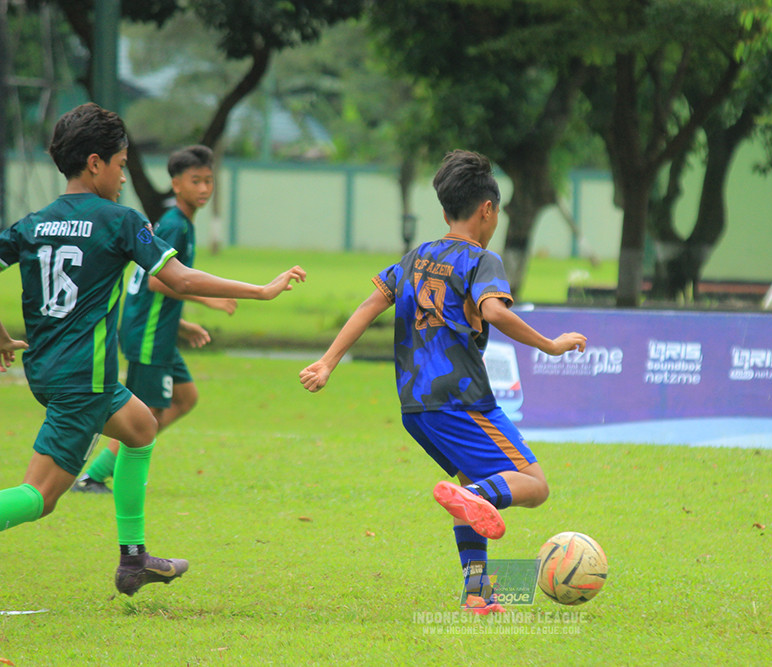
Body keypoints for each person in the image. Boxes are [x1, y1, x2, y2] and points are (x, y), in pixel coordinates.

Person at [0, 102, 306, 596]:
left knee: (141, 427)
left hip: (50, 370)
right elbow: (177, 277)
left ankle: (134, 559)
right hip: (85, 377)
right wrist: (262, 290)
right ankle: (133, 559)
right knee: (40, 496)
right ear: (96, 163)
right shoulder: (119, 220)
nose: (124, 177)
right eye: (121, 165)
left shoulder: (35, 222)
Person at [299, 149, 586, 614]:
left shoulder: (417, 257)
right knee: (533, 485)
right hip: (463, 400)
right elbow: (494, 310)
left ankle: (478, 594)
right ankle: (473, 499)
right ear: (487, 210)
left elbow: (372, 303)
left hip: (417, 407)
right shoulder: (481, 258)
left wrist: (329, 361)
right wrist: (550, 345)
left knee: (477, 478)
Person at [73, 144, 236, 494]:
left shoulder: (179, 223)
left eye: (209, 181)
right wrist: (211, 300)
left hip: (157, 332)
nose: (205, 188)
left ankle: (105, 469)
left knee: (185, 398)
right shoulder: (176, 225)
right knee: (147, 414)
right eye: (196, 181)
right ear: (176, 184)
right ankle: (94, 475)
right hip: (147, 336)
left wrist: (180, 325)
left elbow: (146, 291)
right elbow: (157, 280)